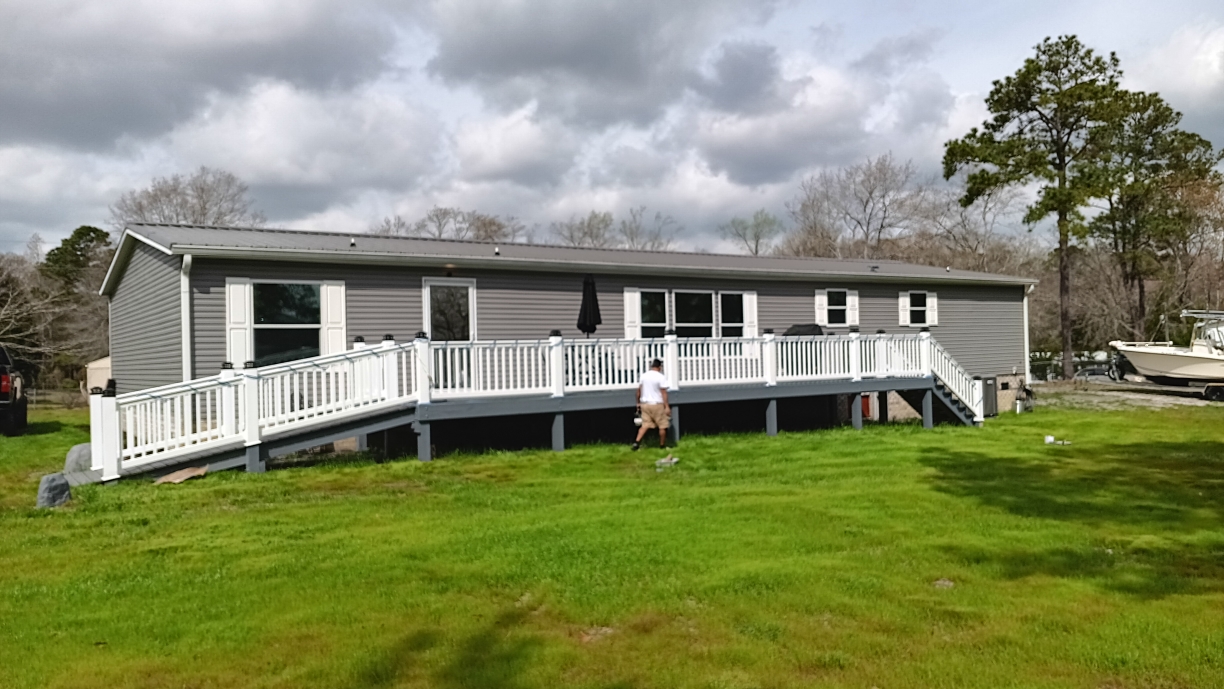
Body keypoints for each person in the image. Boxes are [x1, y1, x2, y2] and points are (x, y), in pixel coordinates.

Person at [633, 358, 670, 450]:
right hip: (657, 404)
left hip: (645, 404)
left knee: (645, 425)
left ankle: (636, 443)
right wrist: (666, 406)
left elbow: (639, 391)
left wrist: (638, 403)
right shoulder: (660, 377)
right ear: (660, 367)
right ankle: (662, 446)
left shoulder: (644, 376)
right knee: (662, 425)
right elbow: (663, 392)